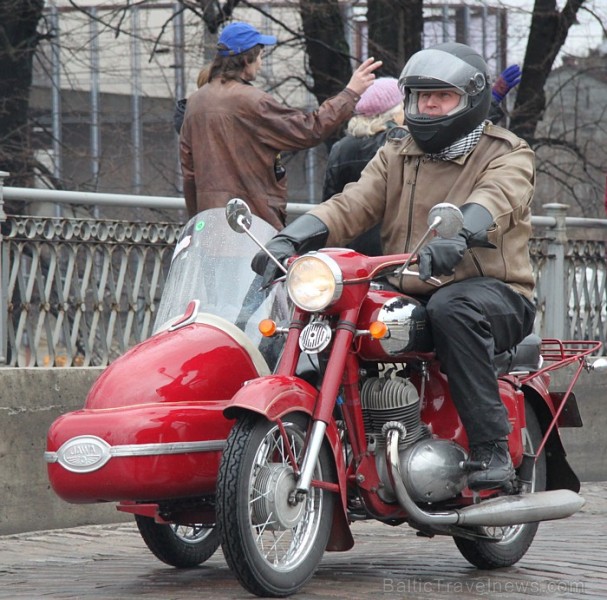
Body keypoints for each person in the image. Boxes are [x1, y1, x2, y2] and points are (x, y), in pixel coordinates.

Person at [252, 42, 536, 491]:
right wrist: (296, 235)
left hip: (492, 291)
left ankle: (492, 448)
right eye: (421, 96)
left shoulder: (505, 153)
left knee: (451, 307)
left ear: (472, 98)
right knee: (332, 310)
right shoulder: (397, 153)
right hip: (408, 287)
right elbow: (353, 203)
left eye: (442, 96)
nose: (428, 105)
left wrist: (459, 235)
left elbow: (496, 198)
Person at [179, 21, 382, 227]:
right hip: (251, 224)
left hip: (210, 223)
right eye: (259, 56)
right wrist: (350, 93)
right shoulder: (252, 101)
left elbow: (189, 174)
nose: (260, 63)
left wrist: (197, 221)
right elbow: (309, 129)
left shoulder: (195, 102)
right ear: (246, 59)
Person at [322, 66, 522, 256]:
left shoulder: (341, 148)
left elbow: (334, 201)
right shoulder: (399, 144)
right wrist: (489, 102)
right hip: (403, 246)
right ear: (393, 111)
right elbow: (454, 137)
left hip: (356, 250)